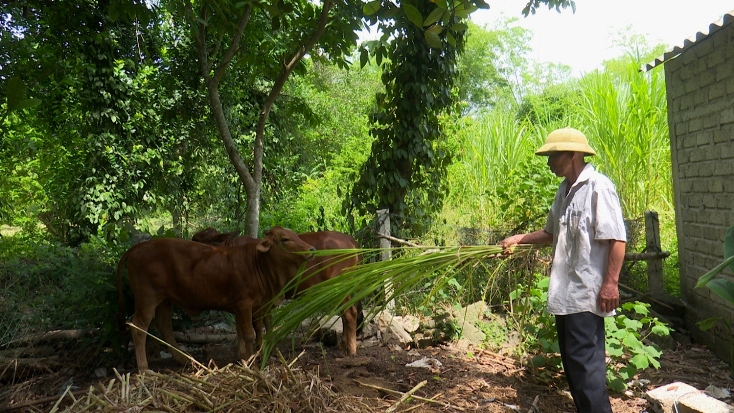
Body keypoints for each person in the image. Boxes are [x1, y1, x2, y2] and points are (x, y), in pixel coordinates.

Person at [500, 127, 626, 413]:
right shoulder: (564, 191)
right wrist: (519, 239)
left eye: (553, 155)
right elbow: (550, 233)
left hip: (587, 295)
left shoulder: (598, 187)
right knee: (573, 368)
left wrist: (611, 284)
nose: (548, 162)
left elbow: (618, 238)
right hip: (565, 295)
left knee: (587, 372)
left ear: (573, 155)